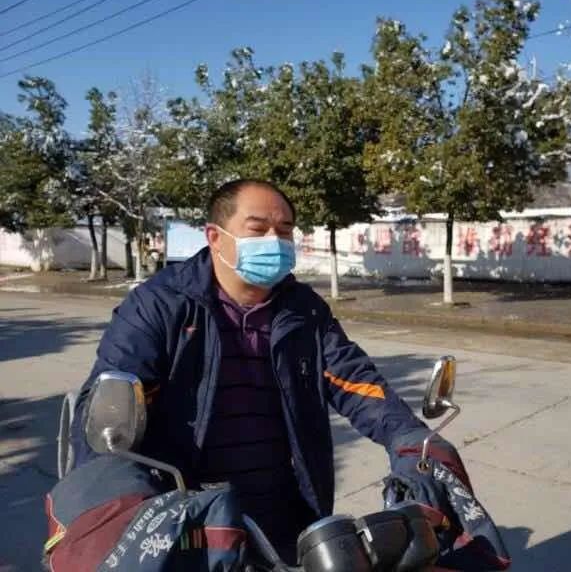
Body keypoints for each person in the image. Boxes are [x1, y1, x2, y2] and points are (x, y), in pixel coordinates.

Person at [64, 179, 508, 568]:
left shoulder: (303, 310)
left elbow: (354, 380)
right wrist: (117, 502)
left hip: (286, 509)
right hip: (190, 516)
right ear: (215, 237)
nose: (274, 241)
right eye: (258, 229)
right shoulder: (160, 305)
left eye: (285, 230)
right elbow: (111, 405)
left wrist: (409, 437)